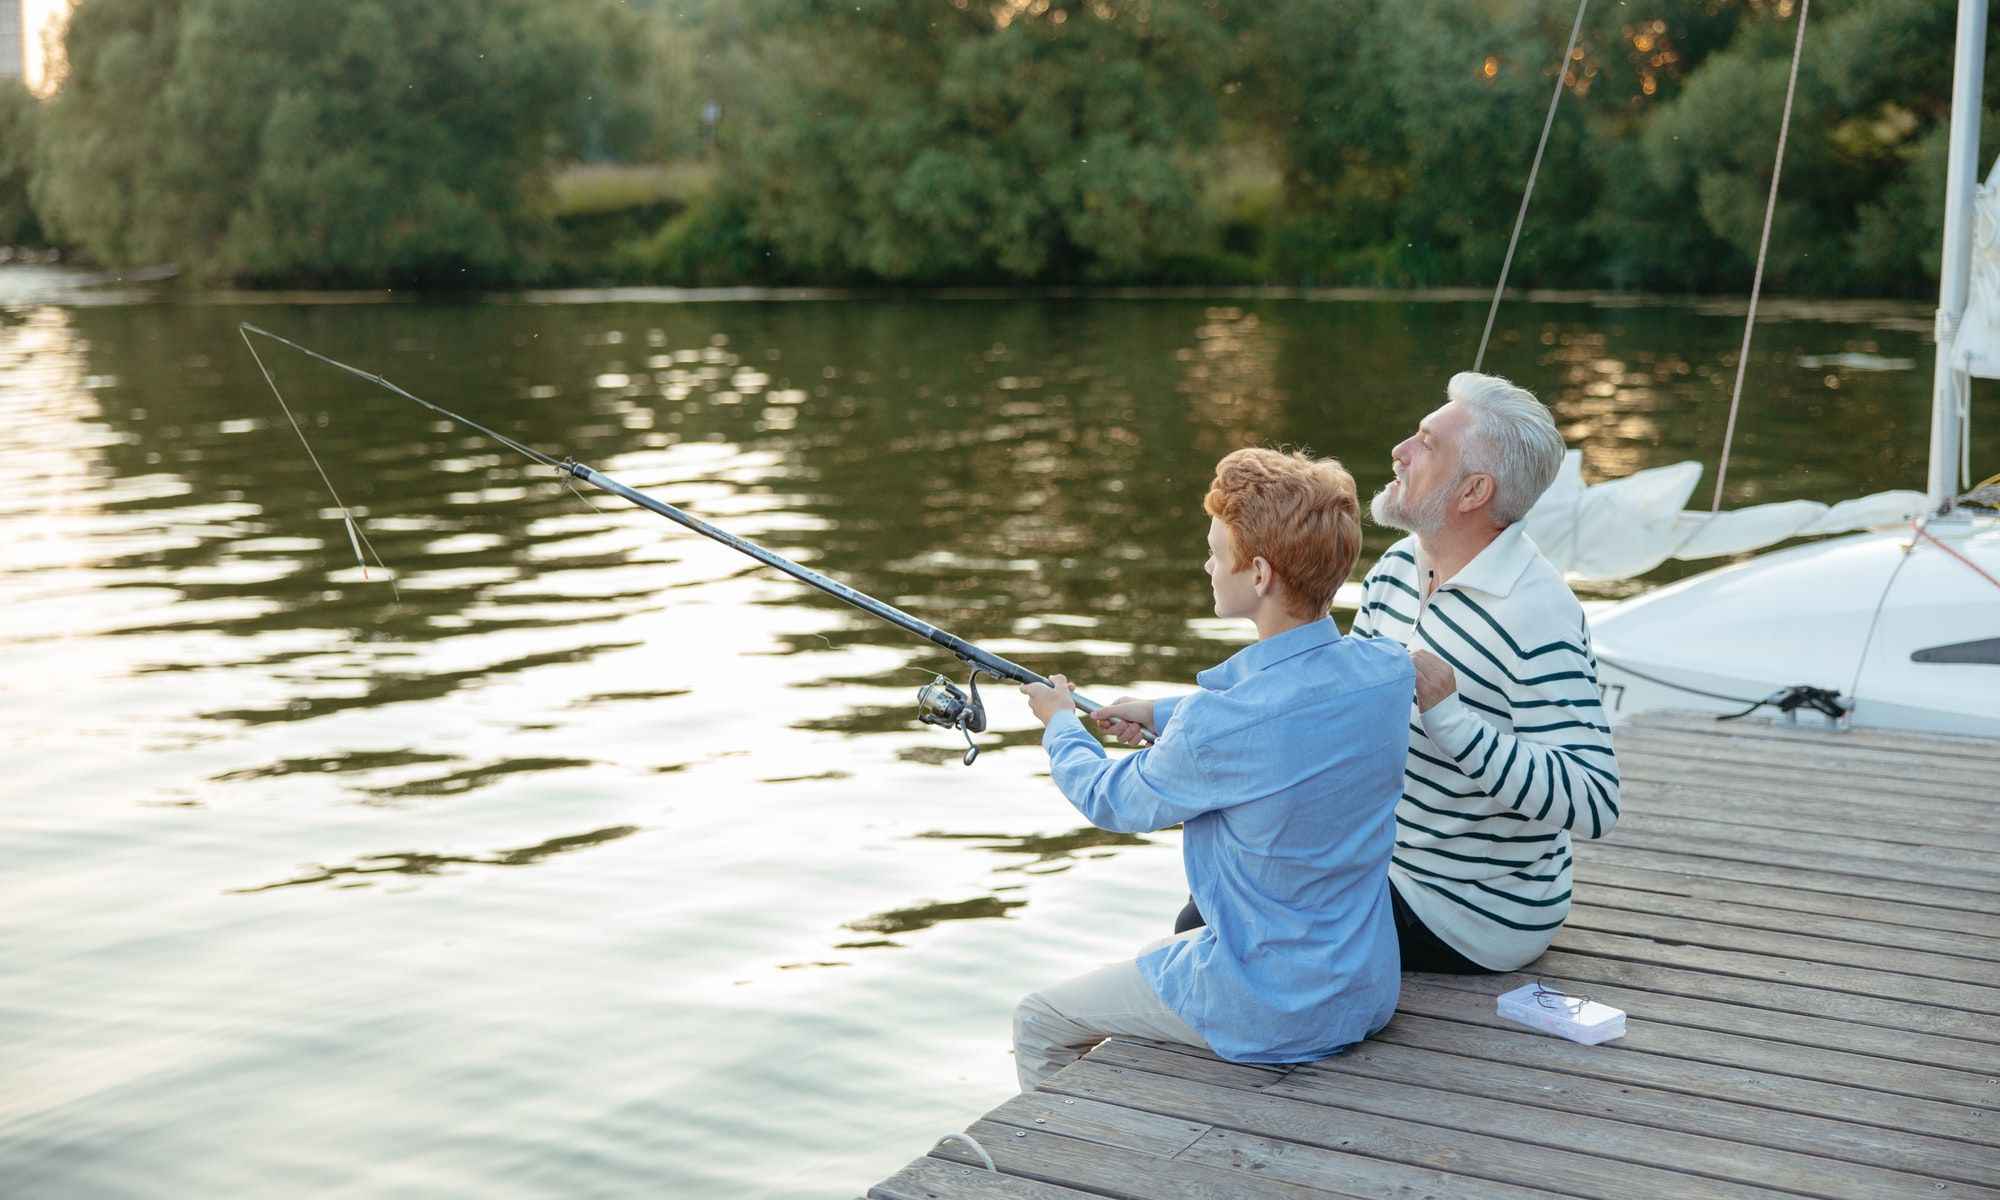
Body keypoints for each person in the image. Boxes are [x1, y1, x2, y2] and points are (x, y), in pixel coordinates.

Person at [1173, 372, 1621, 974]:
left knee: (1215, 926)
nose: (1399, 453)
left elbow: (1593, 800)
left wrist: (1451, 719)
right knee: (1207, 906)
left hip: (1474, 910)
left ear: (1472, 492)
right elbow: (1341, 710)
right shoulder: (1399, 566)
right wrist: (1186, 729)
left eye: (1426, 444)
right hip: (1383, 861)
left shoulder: (1536, 613)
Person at [1012, 448, 1412, 1092]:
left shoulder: (1220, 726)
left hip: (1273, 1009)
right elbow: (1289, 709)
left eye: (1213, 550)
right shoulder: (1387, 672)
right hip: (1365, 988)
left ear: (1257, 574)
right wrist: (1160, 713)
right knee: (1151, 960)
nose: (1205, 563)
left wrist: (1058, 721)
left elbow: (1110, 799)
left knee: (1039, 1018)